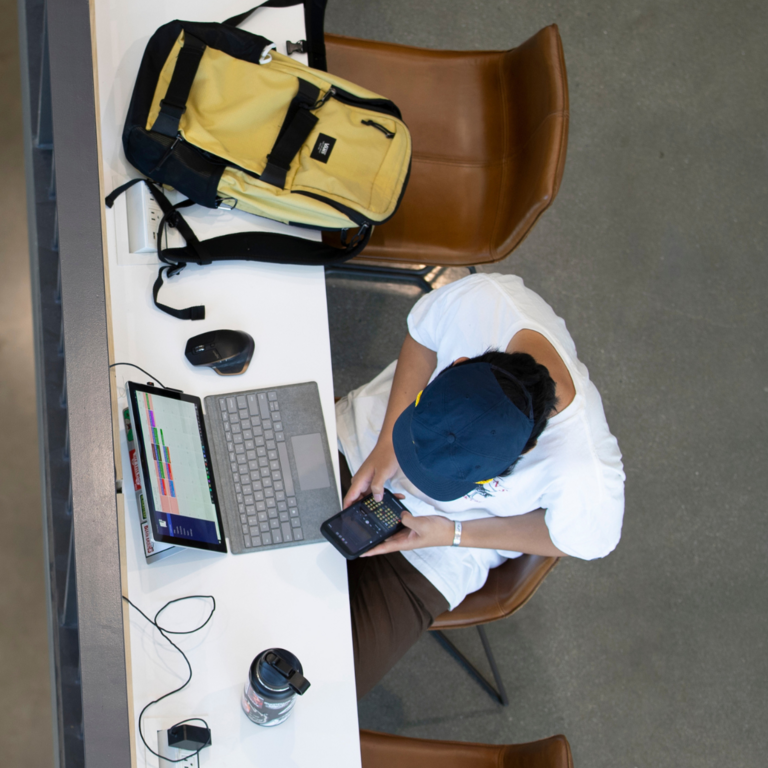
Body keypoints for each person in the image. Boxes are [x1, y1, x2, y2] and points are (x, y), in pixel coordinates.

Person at [335, 273, 625, 698]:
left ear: (521, 455)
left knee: (330, 686)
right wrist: (386, 447)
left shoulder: (584, 469)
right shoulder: (484, 300)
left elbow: (582, 540)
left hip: (433, 555)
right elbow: (421, 336)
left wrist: (453, 534)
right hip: (359, 449)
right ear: (459, 365)